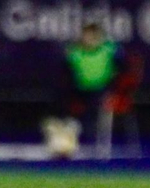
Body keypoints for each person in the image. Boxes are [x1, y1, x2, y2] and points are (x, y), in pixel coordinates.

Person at [44, 22, 125, 159]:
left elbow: (123, 70)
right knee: (60, 100)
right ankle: (63, 136)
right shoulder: (74, 52)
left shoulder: (110, 50)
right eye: (87, 36)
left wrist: (114, 90)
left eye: (94, 36)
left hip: (101, 91)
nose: (90, 39)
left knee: (93, 111)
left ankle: (79, 138)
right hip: (79, 89)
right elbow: (65, 72)